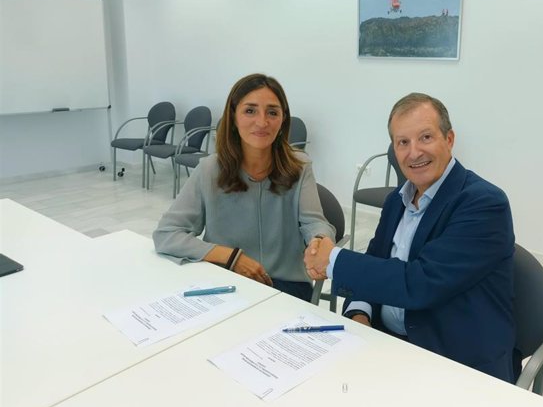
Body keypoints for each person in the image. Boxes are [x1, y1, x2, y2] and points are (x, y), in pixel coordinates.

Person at [305, 93, 517, 382]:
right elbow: (376, 262)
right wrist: (359, 313)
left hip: (454, 362)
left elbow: (419, 282)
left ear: (449, 139)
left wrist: (332, 259)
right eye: (402, 142)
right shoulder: (398, 199)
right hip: (387, 345)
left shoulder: (484, 203)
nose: (414, 152)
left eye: (426, 137)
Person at [153, 73, 335, 302]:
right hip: (226, 279)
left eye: (272, 112)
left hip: (286, 286)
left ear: (282, 120)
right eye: (250, 110)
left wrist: (320, 239)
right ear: (234, 116)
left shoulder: (300, 166)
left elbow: (314, 222)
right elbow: (167, 234)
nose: (262, 122)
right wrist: (230, 257)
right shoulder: (209, 170)